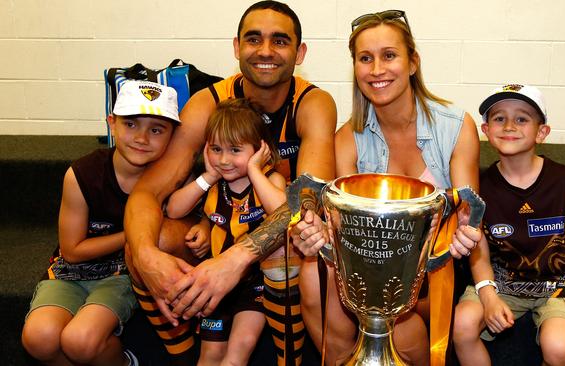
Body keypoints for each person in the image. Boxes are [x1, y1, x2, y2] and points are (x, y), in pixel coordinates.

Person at [123, 1, 336, 364]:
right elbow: (147, 192)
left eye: (279, 41)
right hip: (220, 229)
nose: (265, 51)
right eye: (254, 39)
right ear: (237, 47)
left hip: (277, 241)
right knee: (144, 241)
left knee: (295, 240)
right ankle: (184, 355)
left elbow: (307, 204)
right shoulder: (209, 102)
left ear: (299, 53)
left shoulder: (313, 102)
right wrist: (145, 256)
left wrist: (237, 259)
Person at [291, 10, 482, 365]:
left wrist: (467, 234)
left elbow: (467, 216)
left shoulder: (456, 126)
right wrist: (314, 231)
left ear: (413, 63)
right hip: (370, 267)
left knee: (405, 329)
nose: (377, 69)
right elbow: (342, 229)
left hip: (434, 270)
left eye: (389, 55)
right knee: (312, 274)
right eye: (366, 58)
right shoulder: (347, 139)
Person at [452, 84, 565, 366]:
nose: (509, 125)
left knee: (558, 348)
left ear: (541, 132)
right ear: (486, 130)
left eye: (522, 118)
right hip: (500, 282)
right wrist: (487, 297)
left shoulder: (563, 179)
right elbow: (479, 251)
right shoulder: (480, 186)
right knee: (463, 326)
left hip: (556, 284)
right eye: (499, 118)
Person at [21, 80, 179, 366]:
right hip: (72, 271)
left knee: (80, 340)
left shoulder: (171, 177)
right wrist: (136, 232)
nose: (142, 138)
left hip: (123, 275)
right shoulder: (83, 173)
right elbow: (72, 250)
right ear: (112, 123)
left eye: (156, 130)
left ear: (173, 135)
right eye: (131, 124)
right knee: (39, 337)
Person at [165, 98, 286, 366]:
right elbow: (173, 209)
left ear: (260, 149)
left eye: (234, 150)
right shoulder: (213, 185)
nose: (224, 159)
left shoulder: (269, 180)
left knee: (237, 353)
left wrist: (254, 170)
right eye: (216, 149)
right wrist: (207, 177)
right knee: (209, 356)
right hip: (215, 283)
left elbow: (283, 213)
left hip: (256, 284)